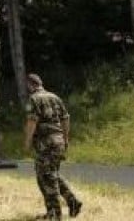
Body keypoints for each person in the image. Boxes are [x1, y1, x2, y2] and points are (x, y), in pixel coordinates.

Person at [24, 73, 82, 219]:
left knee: (46, 177)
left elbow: (32, 121)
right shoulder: (55, 97)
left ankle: (55, 214)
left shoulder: (34, 99)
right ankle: (72, 202)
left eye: (28, 86)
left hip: (46, 144)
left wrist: (28, 141)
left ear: (31, 85)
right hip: (58, 142)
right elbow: (65, 118)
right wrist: (66, 138)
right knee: (51, 175)